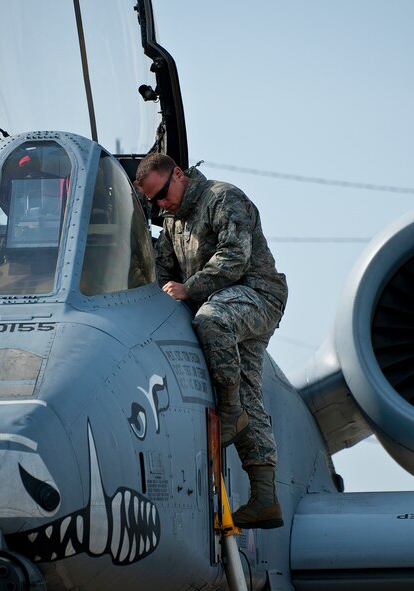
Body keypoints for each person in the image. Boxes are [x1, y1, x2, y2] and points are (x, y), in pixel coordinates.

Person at [135, 153, 288, 529]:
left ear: (179, 175)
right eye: (152, 201)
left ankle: (231, 414)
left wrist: (189, 288)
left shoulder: (223, 199)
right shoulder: (172, 221)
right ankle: (265, 498)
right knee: (250, 390)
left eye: (162, 194)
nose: (160, 205)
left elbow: (235, 258)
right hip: (225, 304)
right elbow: (164, 270)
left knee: (212, 319)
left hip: (256, 295)